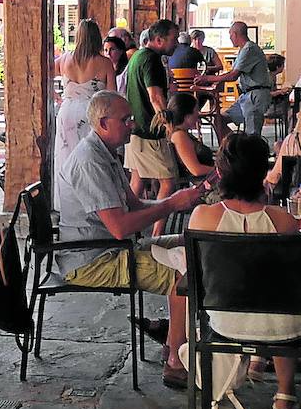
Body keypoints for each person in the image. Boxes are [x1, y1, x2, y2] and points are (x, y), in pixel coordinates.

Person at [55, 91, 202, 388]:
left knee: (190, 245)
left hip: (111, 247)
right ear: (103, 123)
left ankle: (176, 334)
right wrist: (171, 205)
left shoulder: (106, 153)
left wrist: (176, 201)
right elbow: (121, 227)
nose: (133, 125)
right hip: (91, 259)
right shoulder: (89, 161)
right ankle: (175, 360)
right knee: (184, 277)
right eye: (126, 120)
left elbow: (135, 206)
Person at [187, 133, 301, 409]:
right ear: (263, 172)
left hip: (227, 322)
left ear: (220, 172)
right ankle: (284, 397)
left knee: (258, 293)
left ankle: (256, 361)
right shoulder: (284, 220)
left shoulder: (202, 216)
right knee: (278, 299)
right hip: (283, 325)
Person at [54, 20, 119, 200]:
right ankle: (91, 199)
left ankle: (66, 200)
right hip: (92, 113)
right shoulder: (104, 63)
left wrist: (56, 97)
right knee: (91, 157)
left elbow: (41, 72)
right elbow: (111, 96)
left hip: (67, 111)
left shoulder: (65, 58)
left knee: (66, 155)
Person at [126, 19, 180, 225]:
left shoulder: (138, 56)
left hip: (136, 130)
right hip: (150, 132)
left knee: (137, 181)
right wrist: (169, 127)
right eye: (173, 39)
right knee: (168, 182)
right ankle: (156, 235)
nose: (176, 44)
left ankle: (130, 227)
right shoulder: (152, 61)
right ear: (158, 40)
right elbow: (155, 97)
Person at [198, 21, 273, 139]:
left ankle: (244, 151)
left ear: (235, 34)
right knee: (220, 120)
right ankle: (234, 148)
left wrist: (208, 78)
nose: (230, 38)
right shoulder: (243, 50)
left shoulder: (249, 49)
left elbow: (233, 75)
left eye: (230, 35)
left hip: (255, 95)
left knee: (252, 135)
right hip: (246, 96)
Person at [161, 92, 214, 178]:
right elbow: (196, 170)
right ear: (187, 116)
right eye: (196, 111)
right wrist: (222, 169)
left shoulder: (179, 132)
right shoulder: (180, 136)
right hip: (204, 179)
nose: (198, 114)